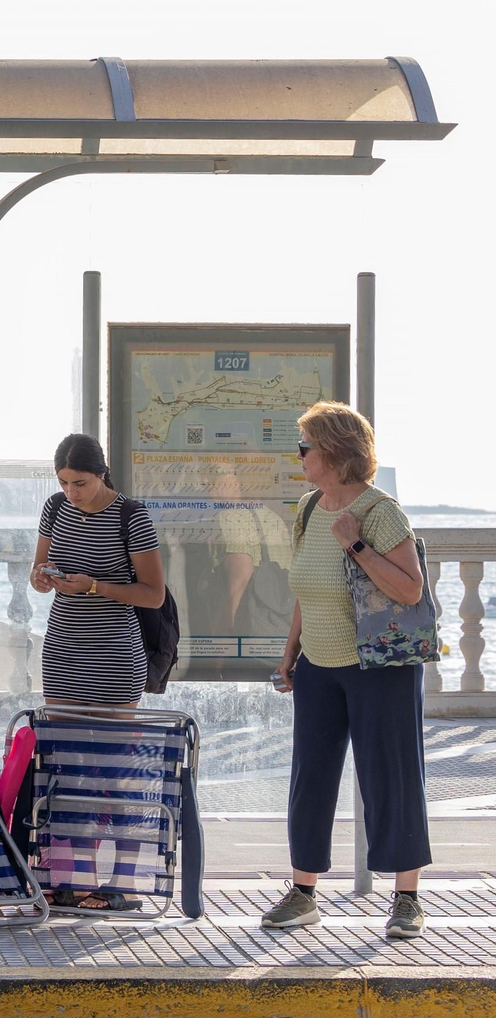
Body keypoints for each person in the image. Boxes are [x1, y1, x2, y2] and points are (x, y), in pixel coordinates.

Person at [262, 401, 431, 940]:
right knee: (310, 778)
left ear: (334, 451)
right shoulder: (309, 509)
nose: (299, 455)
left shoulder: (381, 513)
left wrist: (356, 544)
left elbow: (409, 589)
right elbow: (306, 593)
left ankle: (406, 899)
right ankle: (303, 892)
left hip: (379, 665)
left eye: (305, 446)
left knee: (392, 777)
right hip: (319, 665)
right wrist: (291, 654)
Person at [29, 432, 166, 911]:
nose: (72, 492)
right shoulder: (54, 508)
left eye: (80, 482)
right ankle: (72, 877)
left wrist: (95, 587)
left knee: (115, 773)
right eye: (64, 482)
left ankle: (126, 883)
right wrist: (44, 578)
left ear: (102, 474)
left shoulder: (132, 515)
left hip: (113, 658)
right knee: (65, 771)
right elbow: (37, 571)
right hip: (63, 652)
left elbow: (153, 594)